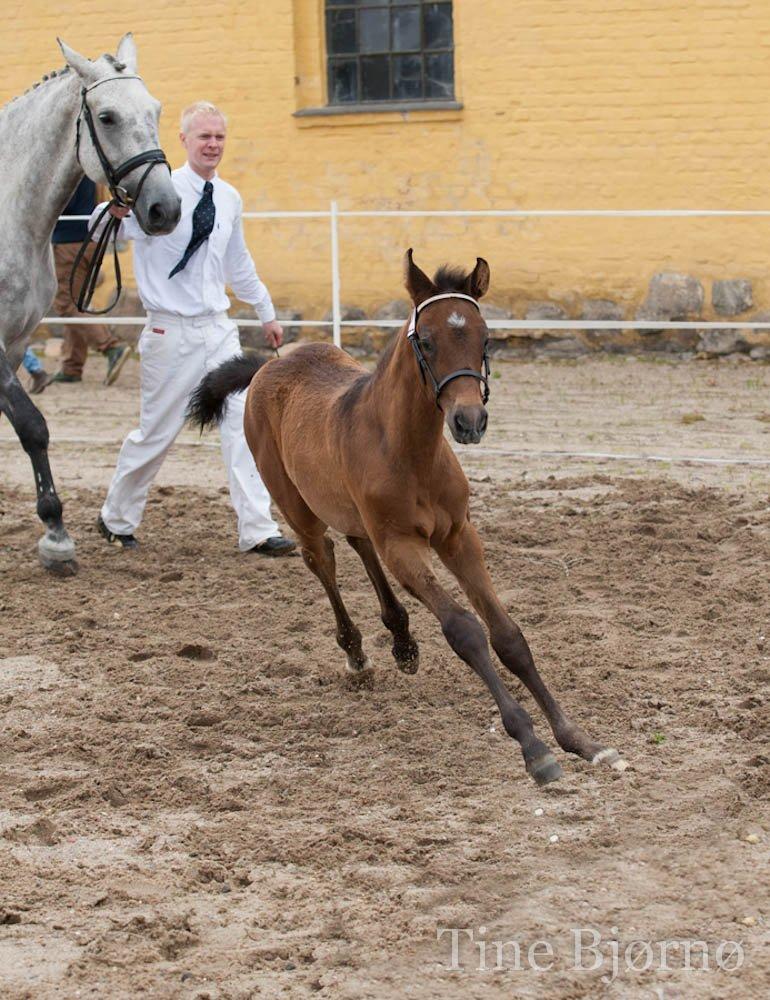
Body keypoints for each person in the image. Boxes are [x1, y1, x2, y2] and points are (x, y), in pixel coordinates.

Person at [93, 101, 295, 557]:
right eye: (204, 136)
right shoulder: (157, 192)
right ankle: (116, 518)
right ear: (183, 140)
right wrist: (115, 212)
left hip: (219, 330)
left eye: (219, 137)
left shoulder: (229, 198)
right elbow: (96, 231)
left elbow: (237, 263)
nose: (213, 144)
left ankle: (257, 529)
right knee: (157, 431)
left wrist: (266, 312)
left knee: (244, 425)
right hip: (169, 333)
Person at [49, 177, 129, 386]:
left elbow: (61, 202)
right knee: (78, 302)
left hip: (69, 243)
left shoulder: (70, 170)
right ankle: (72, 366)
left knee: (67, 304)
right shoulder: (89, 173)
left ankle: (111, 347)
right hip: (90, 240)